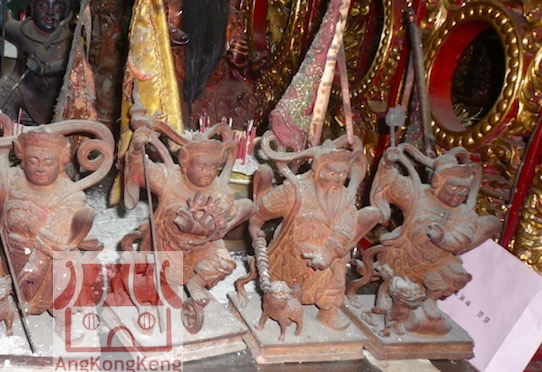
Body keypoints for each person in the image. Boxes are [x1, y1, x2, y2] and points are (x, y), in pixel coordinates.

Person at [350, 144, 501, 335]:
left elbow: (462, 239)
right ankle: (391, 304)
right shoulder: (418, 194)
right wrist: (387, 164)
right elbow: (393, 184)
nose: (458, 195)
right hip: (404, 256)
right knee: (395, 285)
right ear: (438, 183)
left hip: (438, 262)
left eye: (463, 191)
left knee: (457, 275)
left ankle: (429, 300)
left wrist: (443, 239)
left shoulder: (465, 214)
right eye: (453, 188)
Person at [122, 103, 253, 315]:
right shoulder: (169, 179)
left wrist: (202, 228)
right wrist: (136, 150)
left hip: (204, 247)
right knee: (158, 281)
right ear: (185, 163)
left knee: (226, 263)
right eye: (202, 167)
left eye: (214, 168)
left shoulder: (220, 190)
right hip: (167, 245)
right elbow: (139, 171)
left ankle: (196, 283)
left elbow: (221, 225)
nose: (208, 173)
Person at [247, 136, 381, 330]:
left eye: (343, 173)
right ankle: (282, 309)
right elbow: (263, 210)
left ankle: (329, 311)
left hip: (328, 258)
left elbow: (345, 229)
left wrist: (328, 254)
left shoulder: (345, 197)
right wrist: (255, 226)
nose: (338, 178)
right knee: (283, 288)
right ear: (318, 168)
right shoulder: (295, 190)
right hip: (291, 257)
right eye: (331, 172)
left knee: (337, 269)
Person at [0, 126, 97, 315]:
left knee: (58, 291)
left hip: (45, 262)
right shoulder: (12, 179)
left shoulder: (70, 194)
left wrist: (38, 261)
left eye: (48, 163)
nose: (40, 169)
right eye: (33, 161)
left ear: (61, 163)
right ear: (23, 160)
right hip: (11, 254)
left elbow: (62, 232)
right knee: (10, 289)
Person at [0, 0, 74, 124]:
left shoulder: (69, 39)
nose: (50, 13)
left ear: (65, 12)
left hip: (56, 93)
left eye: (58, 8)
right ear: (32, 7)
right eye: (43, 6)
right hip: (24, 88)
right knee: (4, 95)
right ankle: (9, 132)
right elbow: (2, 22)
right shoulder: (23, 31)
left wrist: (45, 70)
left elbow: (68, 64)